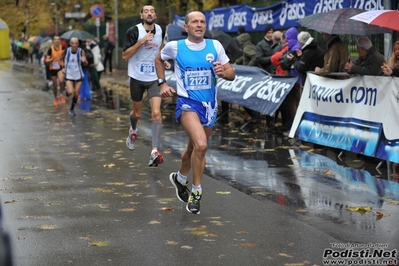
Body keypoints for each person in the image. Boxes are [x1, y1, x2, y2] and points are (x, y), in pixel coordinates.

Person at [155, 11, 235, 214]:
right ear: (186, 27)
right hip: (187, 104)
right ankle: (197, 192)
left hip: (209, 106)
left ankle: (179, 179)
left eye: (202, 22)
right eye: (194, 22)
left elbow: (231, 73)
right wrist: (162, 83)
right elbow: (158, 59)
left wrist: (223, 72)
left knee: (193, 150)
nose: (199, 25)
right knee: (201, 145)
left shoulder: (215, 46)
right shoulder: (176, 47)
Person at [121, 4, 165, 167]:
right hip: (137, 78)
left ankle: (154, 151)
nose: (149, 13)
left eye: (152, 11)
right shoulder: (134, 31)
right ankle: (133, 130)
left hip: (154, 77)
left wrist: (164, 60)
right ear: (141, 16)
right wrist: (142, 42)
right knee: (137, 113)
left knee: (156, 114)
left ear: (155, 15)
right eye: (146, 11)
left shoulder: (161, 30)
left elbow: (161, 48)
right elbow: (125, 55)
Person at [63, 37, 88, 116]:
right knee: (70, 92)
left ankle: (72, 109)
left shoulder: (81, 51)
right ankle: (67, 92)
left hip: (78, 75)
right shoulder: (66, 51)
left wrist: (84, 60)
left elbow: (86, 63)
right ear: (70, 44)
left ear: (78, 44)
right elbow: (60, 60)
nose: (74, 45)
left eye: (76, 43)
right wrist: (62, 68)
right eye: (72, 43)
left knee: (76, 93)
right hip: (69, 74)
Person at [46, 35, 66, 107]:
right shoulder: (50, 49)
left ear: (60, 40)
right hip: (52, 69)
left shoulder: (63, 48)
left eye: (58, 39)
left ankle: (61, 95)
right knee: (54, 85)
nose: (57, 41)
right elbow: (47, 60)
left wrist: (62, 58)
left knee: (61, 81)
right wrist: (52, 59)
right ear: (53, 41)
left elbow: (66, 56)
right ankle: (55, 98)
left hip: (60, 68)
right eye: (55, 39)